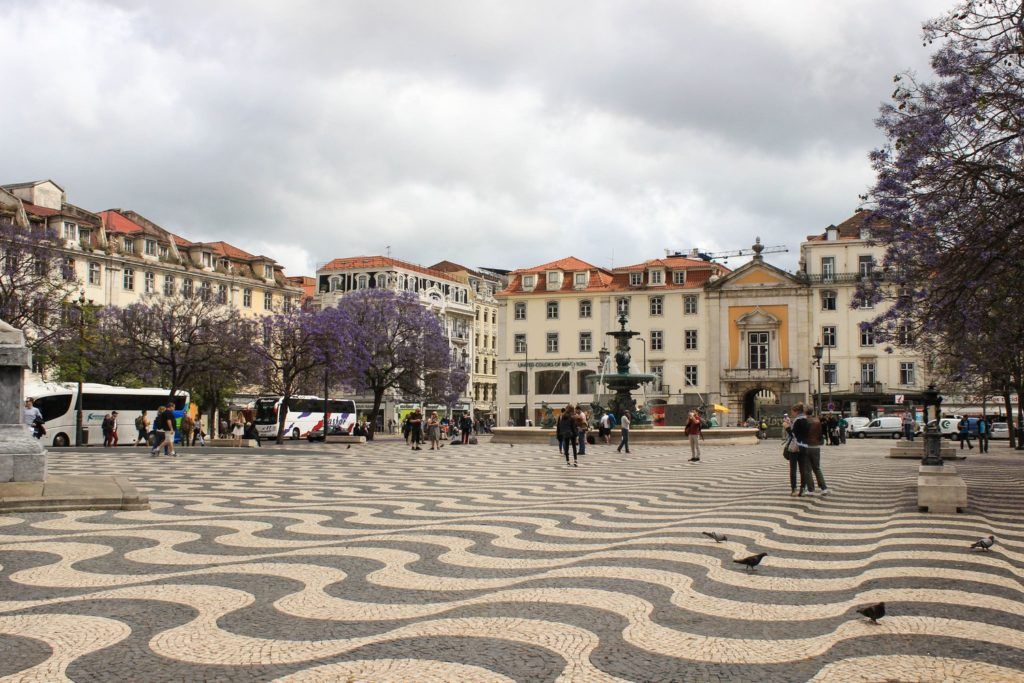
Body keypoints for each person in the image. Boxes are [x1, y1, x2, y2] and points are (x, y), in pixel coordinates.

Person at [787, 403, 813, 496]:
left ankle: (794, 489)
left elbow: (793, 434)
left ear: (796, 411)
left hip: (795, 447)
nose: (792, 414)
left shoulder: (797, 420)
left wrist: (787, 428)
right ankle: (803, 488)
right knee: (803, 469)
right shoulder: (807, 420)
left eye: (792, 412)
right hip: (804, 446)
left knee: (793, 469)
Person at [803, 406, 830, 495]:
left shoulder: (804, 421)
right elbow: (820, 433)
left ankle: (811, 489)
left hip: (806, 446)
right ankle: (824, 488)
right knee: (817, 468)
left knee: (807, 470)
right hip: (816, 447)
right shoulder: (817, 421)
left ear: (805, 412)